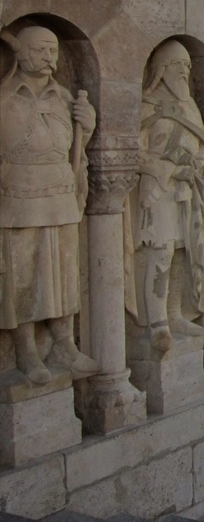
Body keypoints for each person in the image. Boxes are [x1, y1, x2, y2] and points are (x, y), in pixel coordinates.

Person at [0, 25, 100, 385]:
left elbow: (72, 149)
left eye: (53, 51)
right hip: (19, 198)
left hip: (59, 195)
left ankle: (63, 344)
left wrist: (85, 130)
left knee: (64, 274)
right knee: (22, 277)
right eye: (40, 50)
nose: (48, 57)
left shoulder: (64, 98)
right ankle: (26, 351)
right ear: (21, 53)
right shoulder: (5, 97)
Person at [130, 40, 204, 352]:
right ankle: (157, 322)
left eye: (188, 67)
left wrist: (198, 163)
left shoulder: (189, 106)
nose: (185, 72)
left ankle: (175, 314)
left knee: (183, 250)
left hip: (188, 189)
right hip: (157, 190)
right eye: (179, 65)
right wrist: (168, 169)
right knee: (160, 251)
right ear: (162, 69)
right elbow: (134, 153)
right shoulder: (146, 105)